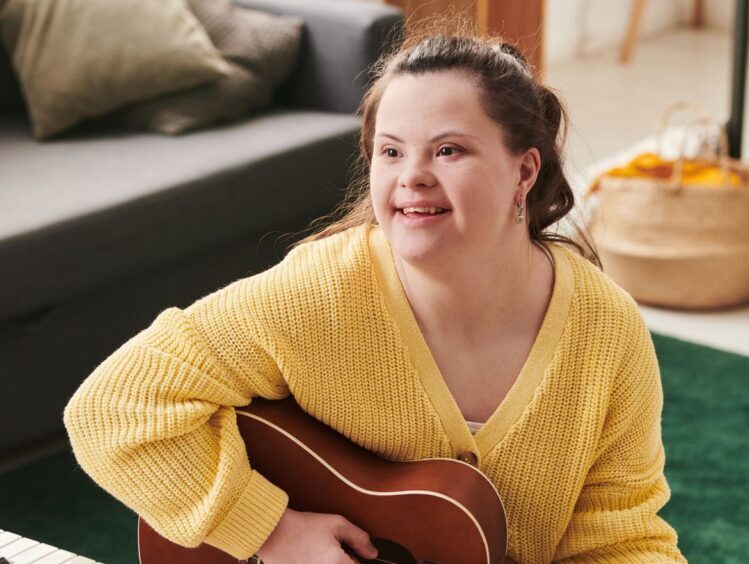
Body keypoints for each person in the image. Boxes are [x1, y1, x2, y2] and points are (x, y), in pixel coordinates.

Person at [63, 18, 687, 564]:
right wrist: (269, 531)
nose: (412, 177)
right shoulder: (320, 292)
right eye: (391, 152)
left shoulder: (606, 330)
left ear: (524, 170)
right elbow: (114, 407)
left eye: (448, 150)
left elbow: (620, 538)